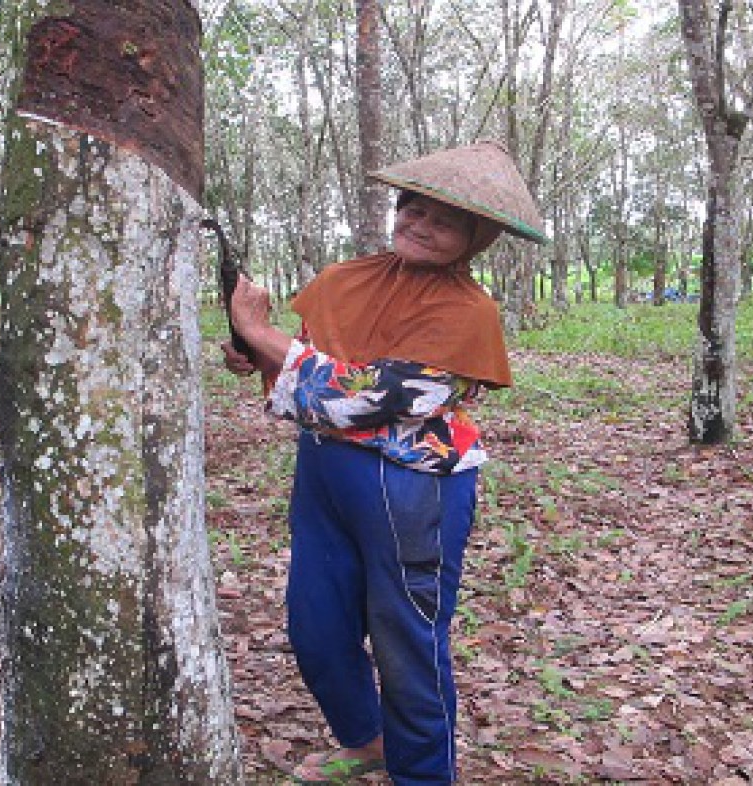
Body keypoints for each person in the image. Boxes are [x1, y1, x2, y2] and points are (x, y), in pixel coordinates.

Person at [223, 141, 547, 786]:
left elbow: (379, 397)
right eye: (412, 210)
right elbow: (307, 356)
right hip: (323, 474)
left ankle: (423, 775)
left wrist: (263, 335)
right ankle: (368, 741)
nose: (420, 226)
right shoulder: (350, 277)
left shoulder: (467, 310)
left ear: (475, 238)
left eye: (443, 221)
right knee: (314, 626)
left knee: (407, 640)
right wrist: (254, 353)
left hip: (409, 485)